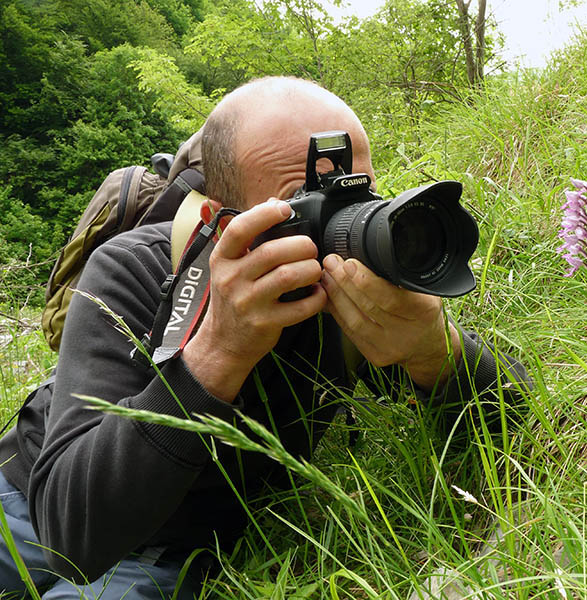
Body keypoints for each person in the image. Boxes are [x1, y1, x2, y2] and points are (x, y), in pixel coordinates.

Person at [0, 76, 528, 598]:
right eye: (304, 203)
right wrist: (217, 353)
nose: (342, 226)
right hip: (30, 495)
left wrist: (434, 350)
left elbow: (516, 425)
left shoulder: (353, 286)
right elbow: (68, 533)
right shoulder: (134, 267)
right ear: (218, 219)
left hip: (174, 546)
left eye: (358, 195)